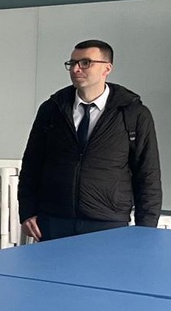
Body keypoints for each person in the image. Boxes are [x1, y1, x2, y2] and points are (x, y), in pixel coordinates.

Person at [19, 39, 161, 241]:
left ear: (107, 68)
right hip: (54, 221)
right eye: (72, 63)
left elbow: (148, 174)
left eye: (85, 63)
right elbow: (31, 164)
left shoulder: (134, 114)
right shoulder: (52, 109)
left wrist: (145, 231)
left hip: (108, 224)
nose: (76, 69)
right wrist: (27, 211)